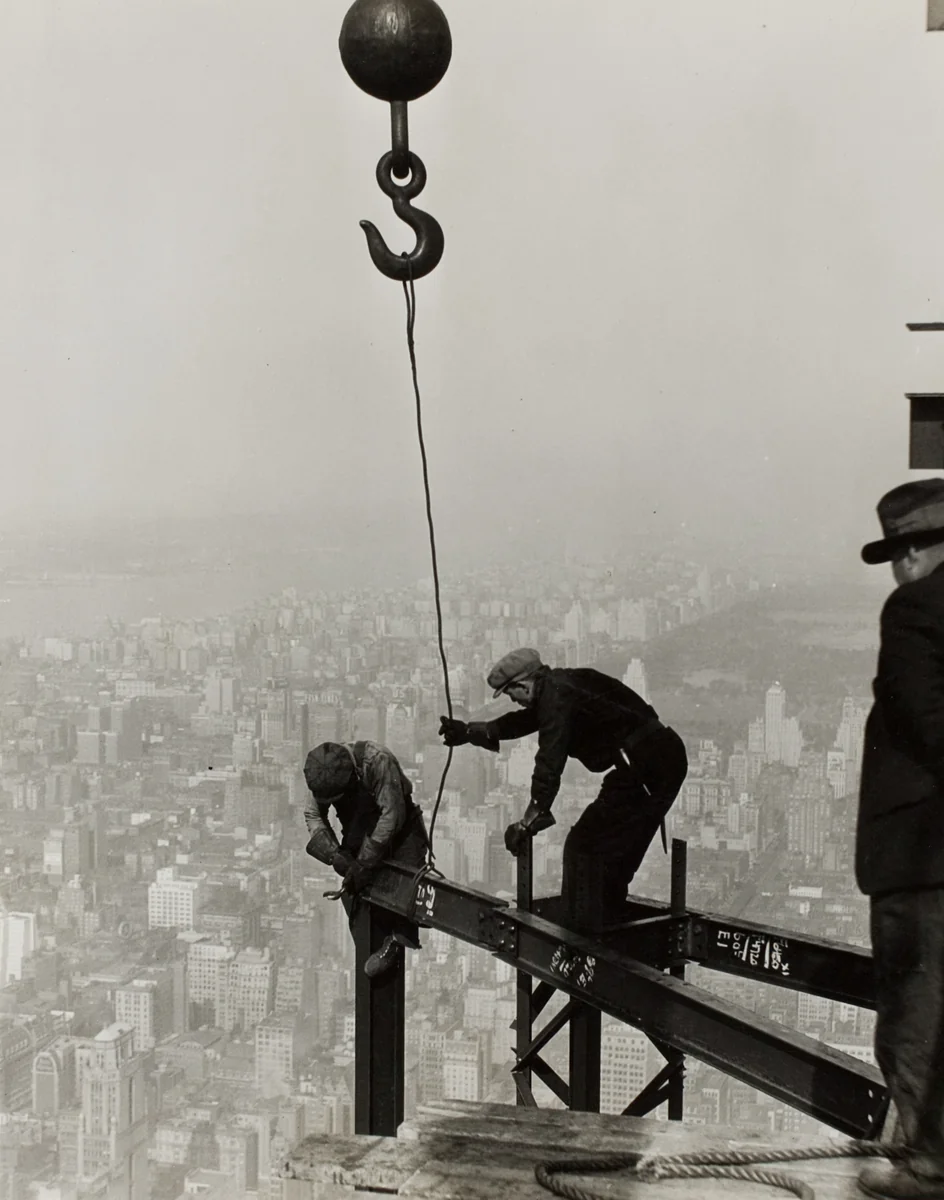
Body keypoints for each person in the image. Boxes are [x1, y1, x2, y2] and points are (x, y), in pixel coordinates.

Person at [439, 648, 687, 929]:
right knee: (606, 854)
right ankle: (604, 927)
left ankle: (586, 937)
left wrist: (528, 821)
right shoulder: (559, 687)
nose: (515, 701)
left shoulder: (555, 698)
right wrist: (468, 732)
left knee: (584, 847)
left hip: (648, 767)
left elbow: (549, 760)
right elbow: (522, 722)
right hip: (654, 762)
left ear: (524, 684)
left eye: (512, 695)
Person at [856, 479, 944, 1200]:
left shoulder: (916, 607)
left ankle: (922, 1163)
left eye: (900, 553)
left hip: (921, 856)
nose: (897, 570)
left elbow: (924, 720)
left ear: (916, 550)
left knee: (915, 1010)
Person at [303, 739, 429, 978]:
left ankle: (398, 939)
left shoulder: (378, 761)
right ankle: (374, 939)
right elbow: (313, 814)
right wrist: (335, 855)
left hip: (402, 833)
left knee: (404, 889)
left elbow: (392, 816)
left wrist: (365, 862)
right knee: (357, 890)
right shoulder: (321, 772)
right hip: (359, 829)